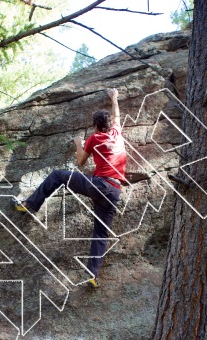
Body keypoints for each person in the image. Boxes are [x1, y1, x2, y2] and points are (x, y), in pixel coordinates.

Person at [15, 88, 127, 288]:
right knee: (101, 233)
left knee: (58, 175)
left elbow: (81, 162)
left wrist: (78, 144)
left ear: (95, 127)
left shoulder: (95, 138)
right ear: (110, 125)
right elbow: (117, 115)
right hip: (115, 190)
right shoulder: (117, 133)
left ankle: (29, 204)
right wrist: (114, 98)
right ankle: (92, 275)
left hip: (99, 185)